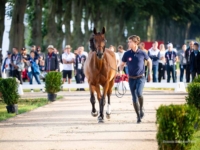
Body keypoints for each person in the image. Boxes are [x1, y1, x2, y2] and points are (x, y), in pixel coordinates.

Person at [119, 35, 152, 123]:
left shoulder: (142, 53)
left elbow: (149, 61)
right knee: (134, 98)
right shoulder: (126, 54)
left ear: (135, 43)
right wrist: (120, 71)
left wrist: (150, 73)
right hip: (131, 79)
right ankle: (138, 116)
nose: (128, 43)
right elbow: (121, 64)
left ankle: (141, 108)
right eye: (128, 42)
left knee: (139, 93)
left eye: (130, 42)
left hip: (141, 78)